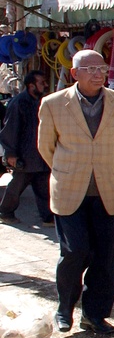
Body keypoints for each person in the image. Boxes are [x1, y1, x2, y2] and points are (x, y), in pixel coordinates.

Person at [38, 49, 114, 335]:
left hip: (107, 188)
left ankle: (95, 314)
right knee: (75, 250)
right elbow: (46, 147)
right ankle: (65, 307)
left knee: (105, 256)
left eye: (101, 68)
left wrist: (101, 166)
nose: (96, 74)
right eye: (89, 69)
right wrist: (70, 168)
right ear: (74, 73)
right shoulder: (53, 104)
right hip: (69, 188)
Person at [0, 70, 53, 225]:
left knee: (43, 186)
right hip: (25, 155)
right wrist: (11, 154)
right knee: (17, 186)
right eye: (41, 83)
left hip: (40, 154)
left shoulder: (42, 101)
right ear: (31, 86)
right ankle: (5, 212)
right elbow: (10, 129)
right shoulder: (18, 103)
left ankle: (48, 217)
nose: (44, 85)